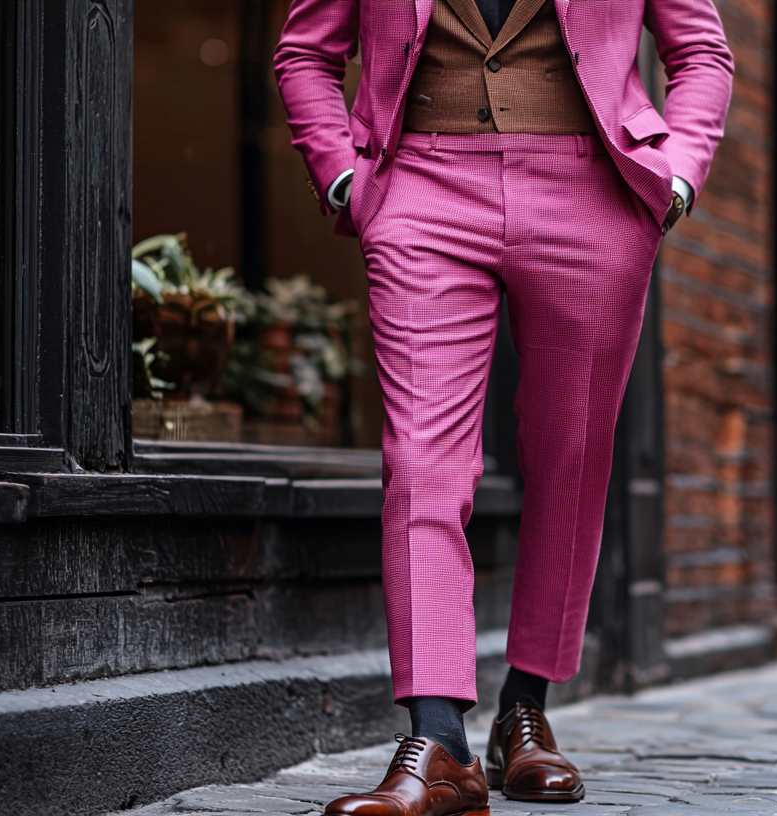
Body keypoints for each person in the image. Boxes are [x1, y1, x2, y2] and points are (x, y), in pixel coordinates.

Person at [274, 1, 733, 815]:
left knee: (570, 456)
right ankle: (440, 742)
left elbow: (701, 52)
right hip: (420, 188)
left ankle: (526, 708)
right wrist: (343, 176)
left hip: (593, 189)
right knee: (419, 459)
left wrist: (679, 177)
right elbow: (305, 51)